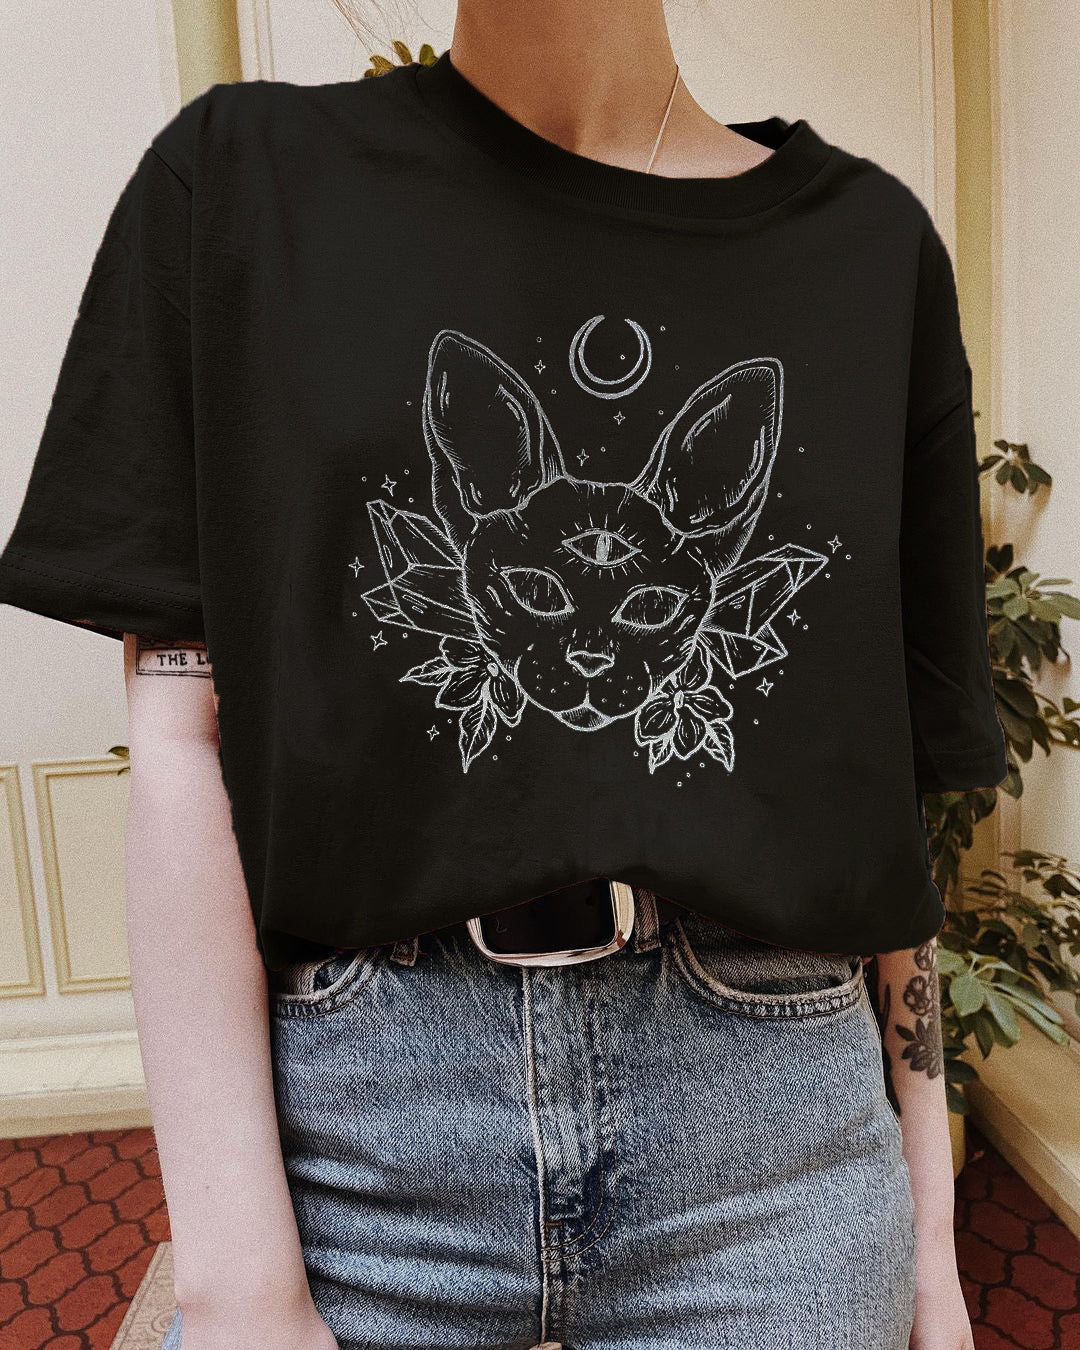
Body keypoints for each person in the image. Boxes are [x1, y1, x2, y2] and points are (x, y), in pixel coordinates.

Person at [0, 2, 1006, 1347]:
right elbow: (184, 739)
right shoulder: (239, 183)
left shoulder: (870, 248)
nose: (587, 647)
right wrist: (237, 1281)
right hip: (356, 1157)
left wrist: (930, 1241)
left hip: (774, 1167)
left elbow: (883, 801)